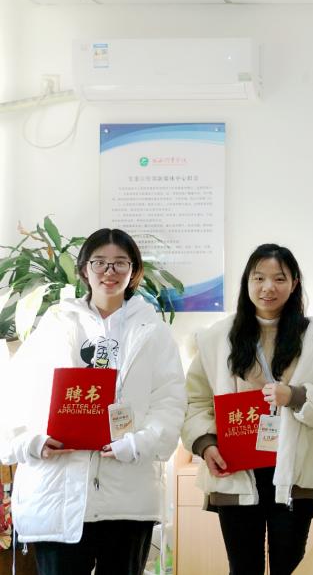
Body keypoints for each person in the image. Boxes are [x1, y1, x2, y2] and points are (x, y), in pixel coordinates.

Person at [1, 228, 185, 575]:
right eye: (100, 262)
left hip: (127, 494)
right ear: (85, 269)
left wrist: (140, 443)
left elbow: (170, 400)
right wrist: (31, 442)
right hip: (57, 491)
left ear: (134, 271)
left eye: (120, 263)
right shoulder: (55, 325)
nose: (109, 272)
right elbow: (16, 392)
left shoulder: (153, 331)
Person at [182, 244, 313, 575]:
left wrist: (296, 396)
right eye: (259, 278)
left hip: (295, 472)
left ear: (294, 283)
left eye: (279, 279)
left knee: (290, 567)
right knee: (243, 568)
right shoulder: (216, 339)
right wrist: (205, 443)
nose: (268, 287)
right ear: (247, 282)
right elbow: (194, 401)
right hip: (235, 471)